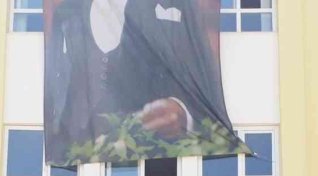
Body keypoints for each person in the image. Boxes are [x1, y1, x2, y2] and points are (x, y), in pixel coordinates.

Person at [44, 0, 243, 166]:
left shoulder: (177, 5)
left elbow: (203, 77)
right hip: (83, 158)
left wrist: (182, 112)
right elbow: (60, 87)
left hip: (158, 159)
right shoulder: (68, 12)